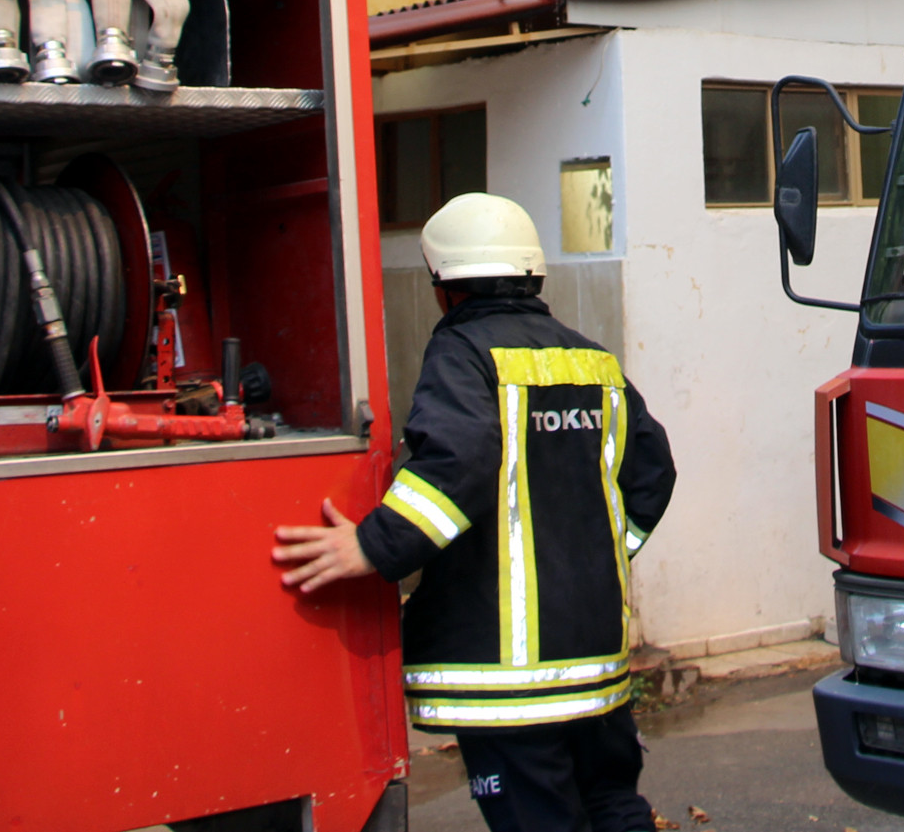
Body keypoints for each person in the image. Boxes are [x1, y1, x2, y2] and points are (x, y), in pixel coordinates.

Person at [275, 193, 675, 832]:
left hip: (505, 684)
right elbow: (653, 475)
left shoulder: (461, 355)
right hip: (594, 665)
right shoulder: (593, 362)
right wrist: (599, 555)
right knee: (613, 807)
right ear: (534, 276)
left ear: (442, 289)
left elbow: (457, 459)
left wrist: (376, 545)